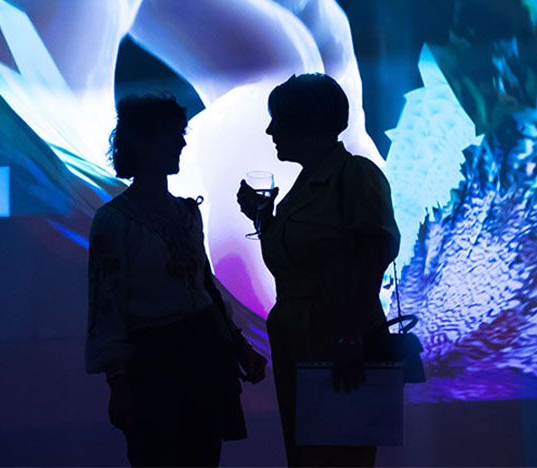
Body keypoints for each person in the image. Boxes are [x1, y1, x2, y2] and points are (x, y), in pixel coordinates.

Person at [86, 94, 268, 467]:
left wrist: (237, 344)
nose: (182, 143)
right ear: (142, 142)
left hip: (204, 357)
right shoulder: (113, 221)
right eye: (172, 134)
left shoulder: (186, 213)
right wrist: (118, 383)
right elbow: (106, 305)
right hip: (154, 367)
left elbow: (205, 289)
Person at [236, 74, 400, 467]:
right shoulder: (305, 184)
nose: (271, 130)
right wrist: (262, 219)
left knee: (340, 456)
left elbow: (375, 253)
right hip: (300, 339)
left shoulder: (354, 174)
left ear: (308, 122)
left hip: (338, 338)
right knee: (309, 457)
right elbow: (293, 262)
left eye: (280, 119)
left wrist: (350, 335)